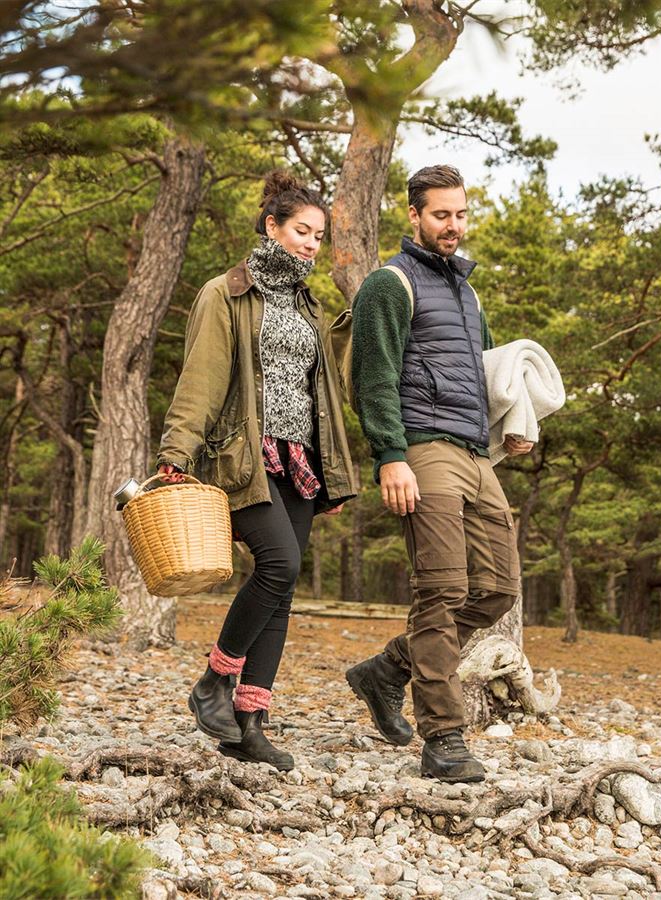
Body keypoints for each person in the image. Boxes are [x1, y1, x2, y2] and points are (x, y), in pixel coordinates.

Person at [157, 170, 356, 771]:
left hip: (299, 458)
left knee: (286, 586)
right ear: (272, 226)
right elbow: (204, 376)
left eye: (319, 236)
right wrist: (176, 452)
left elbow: (324, 389)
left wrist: (335, 469)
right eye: (302, 231)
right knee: (280, 564)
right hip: (243, 453)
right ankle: (213, 682)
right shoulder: (227, 292)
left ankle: (249, 722)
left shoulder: (307, 304)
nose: (311, 245)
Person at [345, 165, 533, 783]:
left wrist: (509, 420)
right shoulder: (389, 283)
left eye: (460, 214)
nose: (453, 226)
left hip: (478, 453)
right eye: (441, 215)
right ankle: (444, 737)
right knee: (443, 589)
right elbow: (373, 378)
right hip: (422, 449)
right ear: (414, 216)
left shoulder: (468, 293)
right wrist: (390, 455)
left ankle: (388, 670)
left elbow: (477, 372)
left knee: (498, 589)